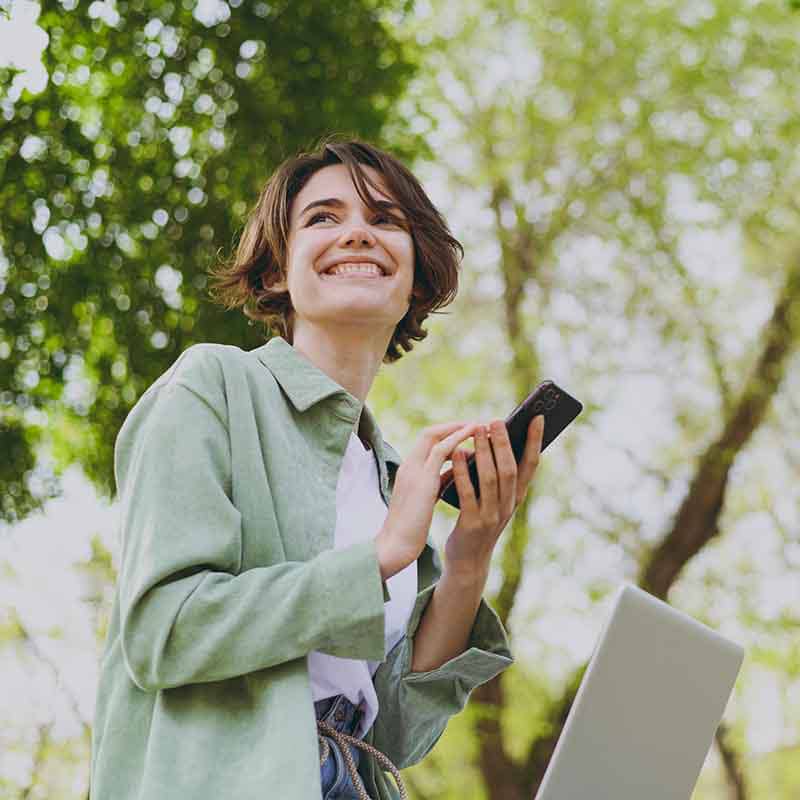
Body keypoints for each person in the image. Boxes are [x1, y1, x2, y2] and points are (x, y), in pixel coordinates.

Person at [89, 135, 545, 800]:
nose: (357, 234)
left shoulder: (392, 475)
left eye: (385, 220)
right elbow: (165, 630)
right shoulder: (211, 388)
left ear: (416, 276)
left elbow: (391, 738)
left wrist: (470, 557)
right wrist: (383, 555)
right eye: (324, 219)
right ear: (277, 270)